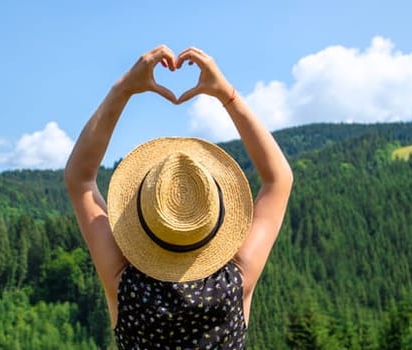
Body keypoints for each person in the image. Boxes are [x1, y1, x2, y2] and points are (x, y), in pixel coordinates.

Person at [63, 45, 294, 348]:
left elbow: (79, 179)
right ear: (215, 221)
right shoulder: (233, 286)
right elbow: (279, 180)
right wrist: (227, 94)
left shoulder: (126, 287)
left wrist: (123, 89)